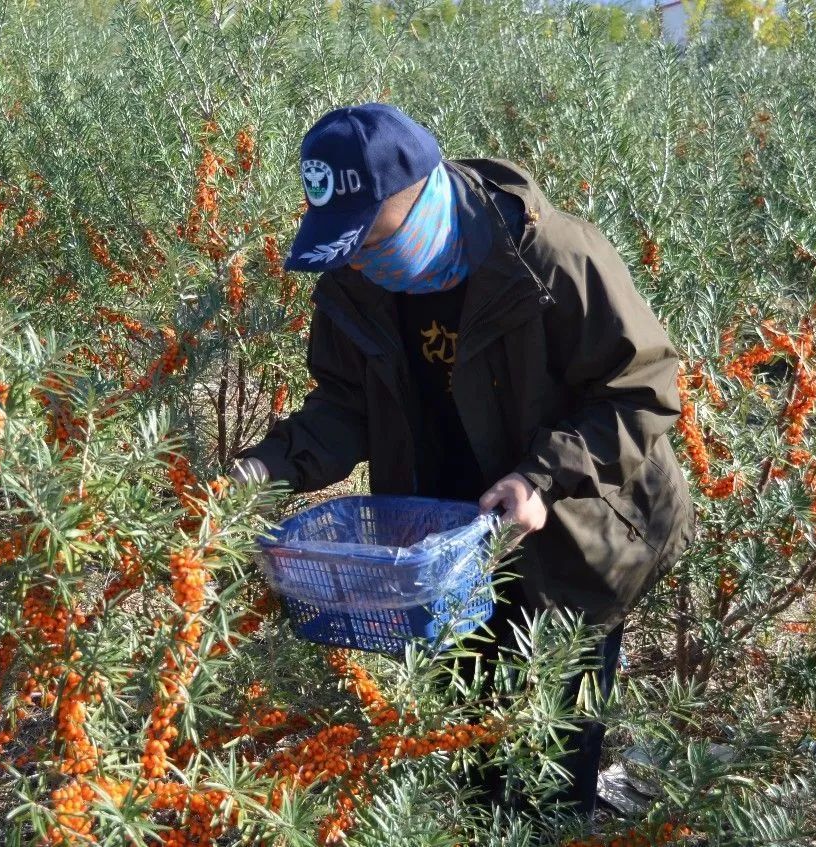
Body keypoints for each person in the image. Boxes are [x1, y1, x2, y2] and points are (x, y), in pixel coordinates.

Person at [230, 103, 697, 818]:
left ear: (416, 191)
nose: (357, 258)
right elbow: (345, 406)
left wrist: (539, 476)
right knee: (467, 759)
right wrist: (265, 466)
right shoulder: (354, 282)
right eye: (341, 242)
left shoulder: (550, 257)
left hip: (573, 539)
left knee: (552, 770)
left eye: (366, 237)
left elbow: (644, 390)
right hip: (446, 551)